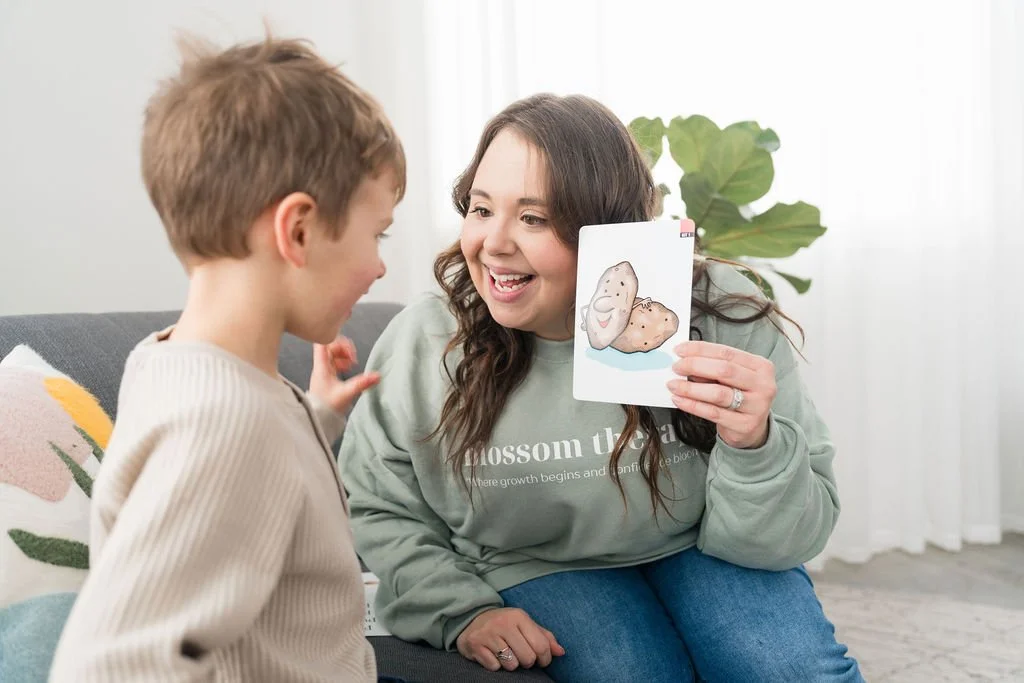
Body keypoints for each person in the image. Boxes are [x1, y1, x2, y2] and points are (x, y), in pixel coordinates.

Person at [339, 93, 863, 683]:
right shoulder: (429, 341)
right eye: (481, 209)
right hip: (531, 563)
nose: (494, 243)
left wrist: (753, 444)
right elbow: (378, 503)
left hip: (704, 543)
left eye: (534, 218)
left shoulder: (720, 312)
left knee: (792, 670)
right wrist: (460, 611)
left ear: (611, 233)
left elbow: (786, 537)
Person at [50, 33, 405, 682]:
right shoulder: (226, 421)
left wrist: (315, 415)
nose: (381, 264)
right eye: (376, 233)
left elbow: (249, 491)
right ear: (297, 230)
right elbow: (112, 665)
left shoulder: (178, 365)